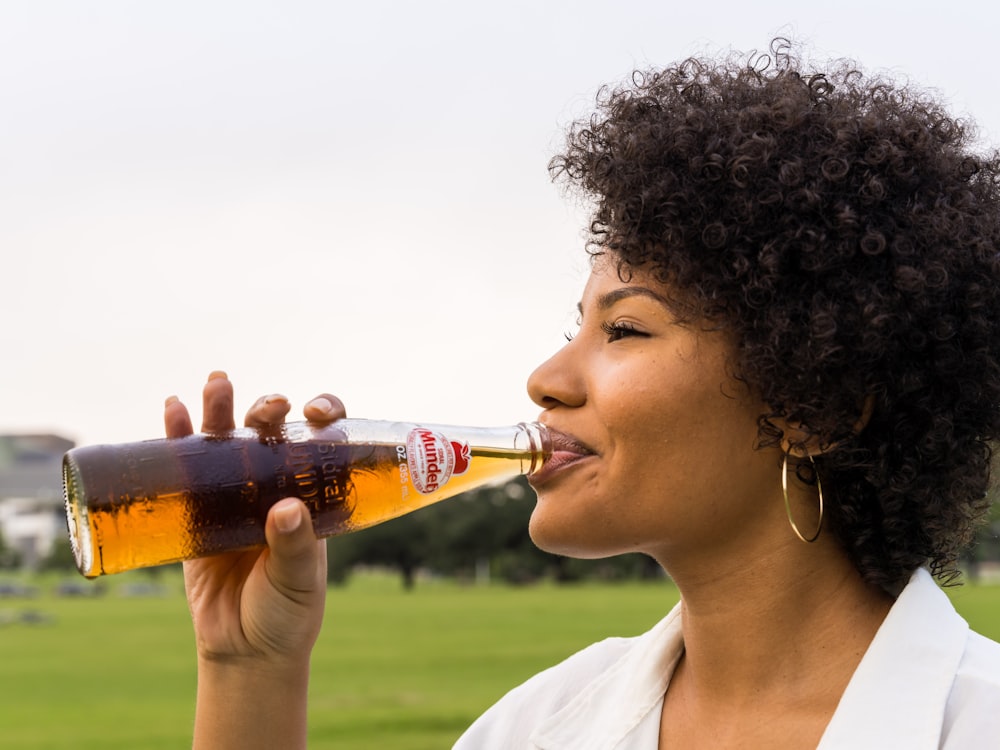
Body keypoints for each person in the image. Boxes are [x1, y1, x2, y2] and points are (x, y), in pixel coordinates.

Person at [165, 39, 1000, 748]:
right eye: (576, 325)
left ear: (812, 406)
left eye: (626, 329)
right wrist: (248, 670)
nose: (546, 380)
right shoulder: (537, 729)